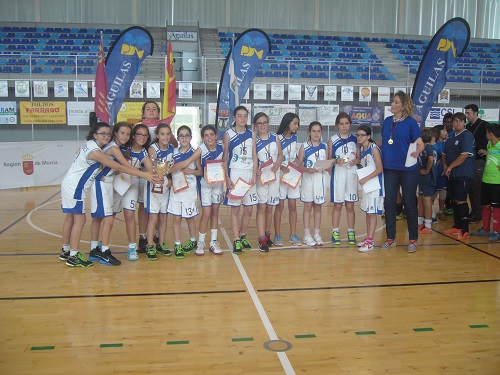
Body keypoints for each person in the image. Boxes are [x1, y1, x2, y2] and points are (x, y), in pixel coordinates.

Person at [59, 122, 155, 268]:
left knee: (81, 218)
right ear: (95, 134)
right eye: (103, 133)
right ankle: (97, 252)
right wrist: (144, 175)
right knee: (103, 219)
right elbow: (120, 166)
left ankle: (75, 250)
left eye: (107, 134)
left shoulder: (95, 145)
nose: (106, 136)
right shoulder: (108, 148)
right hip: (88, 185)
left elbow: (114, 167)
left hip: (89, 183)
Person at [169, 125, 225, 256]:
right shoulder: (200, 150)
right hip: (204, 185)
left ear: (216, 136)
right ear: (202, 137)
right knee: (206, 214)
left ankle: (213, 241)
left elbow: (225, 163)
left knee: (215, 212)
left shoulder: (222, 148)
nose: (209, 137)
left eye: (212, 134)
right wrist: (166, 172)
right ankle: (200, 242)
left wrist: (224, 166)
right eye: (206, 135)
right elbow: (187, 163)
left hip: (217, 184)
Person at [381, 90, 424, 253]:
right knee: (389, 203)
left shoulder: (411, 123)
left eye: (396, 102)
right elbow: (385, 141)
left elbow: (420, 143)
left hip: (407, 169)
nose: (392, 104)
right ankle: (390, 238)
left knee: (409, 203)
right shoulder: (387, 121)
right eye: (392, 101)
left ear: (404, 105)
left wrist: (417, 151)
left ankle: (413, 239)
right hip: (390, 167)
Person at [89, 122, 133, 266]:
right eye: (122, 133)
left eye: (127, 134)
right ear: (115, 134)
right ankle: (104, 252)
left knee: (98, 219)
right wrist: (147, 175)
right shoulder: (113, 148)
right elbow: (125, 167)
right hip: (101, 183)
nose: (125, 136)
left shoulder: (116, 147)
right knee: (108, 219)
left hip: (107, 183)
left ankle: (94, 249)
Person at [136, 101, 178, 253]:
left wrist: (170, 178)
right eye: (148, 109)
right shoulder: (138, 127)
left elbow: (173, 146)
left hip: (164, 181)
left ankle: (159, 240)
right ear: (143, 112)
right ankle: (144, 240)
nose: (151, 111)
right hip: (146, 175)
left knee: (163, 215)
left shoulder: (164, 129)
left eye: (154, 109)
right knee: (145, 208)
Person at [112, 124, 154, 261]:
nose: (142, 137)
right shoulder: (123, 147)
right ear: (134, 135)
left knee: (129, 215)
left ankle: (132, 247)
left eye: (145, 135)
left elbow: (150, 169)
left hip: (132, 185)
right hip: (116, 183)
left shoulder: (143, 153)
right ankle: (102, 245)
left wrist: (157, 175)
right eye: (139, 134)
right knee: (109, 216)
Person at [223, 106, 258, 254]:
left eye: (245, 116)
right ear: (234, 118)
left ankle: (243, 234)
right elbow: (225, 157)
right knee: (236, 208)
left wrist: (255, 174)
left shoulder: (252, 134)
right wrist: (227, 177)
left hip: (249, 173)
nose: (243, 119)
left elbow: (255, 156)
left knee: (249, 208)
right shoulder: (228, 134)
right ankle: (236, 239)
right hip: (235, 173)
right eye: (240, 116)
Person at [167, 125, 203, 258]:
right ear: (177, 138)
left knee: (189, 217)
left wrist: (190, 171)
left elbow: (200, 171)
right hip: (176, 189)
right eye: (181, 136)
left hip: (189, 190)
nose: (184, 138)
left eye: (186, 135)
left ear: (191, 137)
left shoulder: (195, 153)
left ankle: (193, 240)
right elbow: (167, 169)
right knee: (176, 218)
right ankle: (177, 244)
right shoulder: (173, 152)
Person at [327, 112, 359, 246]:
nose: (344, 126)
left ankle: (351, 231)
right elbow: (328, 160)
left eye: (346, 123)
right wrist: (336, 160)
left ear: (350, 124)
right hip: (338, 173)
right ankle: (335, 231)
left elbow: (359, 158)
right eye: (341, 124)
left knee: (350, 205)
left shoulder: (356, 139)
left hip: (351, 173)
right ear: (337, 125)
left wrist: (355, 161)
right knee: (338, 205)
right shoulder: (332, 140)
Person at [143, 123, 175, 260]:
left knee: (164, 218)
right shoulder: (152, 148)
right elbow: (154, 167)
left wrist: (170, 179)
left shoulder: (172, 148)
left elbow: (171, 168)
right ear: (157, 135)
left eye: (168, 134)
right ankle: (150, 245)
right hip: (153, 187)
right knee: (153, 218)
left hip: (166, 188)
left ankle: (160, 244)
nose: (166, 137)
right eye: (162, 134)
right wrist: (160, 176)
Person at [442, 112, 475, 240]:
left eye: (460, 121)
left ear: (464, 122)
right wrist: (445, 166)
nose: (457, 123)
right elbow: (444, 154)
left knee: (461, 199)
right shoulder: (450, 137)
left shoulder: (467, 135)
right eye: (455, 121)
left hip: (463, 173)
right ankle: (457, 226)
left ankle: (465, 229)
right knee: (454, 199)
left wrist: (450, 167)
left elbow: (465, 154)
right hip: (452, 174)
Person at [254, 112, 283, 252]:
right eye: (259, 123)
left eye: (264, 122)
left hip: (274, 175)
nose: (262, 125)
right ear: (255, 125)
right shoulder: (253, 139)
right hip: (262, 177)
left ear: (268, 123)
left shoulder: (275, 137)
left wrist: (277, 164)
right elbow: (252, 158)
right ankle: (261, 239)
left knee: (270, 206)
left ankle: (267, 234)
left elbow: (281, 154)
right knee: (261, 207)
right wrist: (256, 170)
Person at [297, 121, 328, 247]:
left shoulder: (325, 147)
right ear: (309, 133)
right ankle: (306, 234)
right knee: (308, 207)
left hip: (320, 179)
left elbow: (328, 162)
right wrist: (306, 169)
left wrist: (328, 166)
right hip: (308, 179)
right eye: (314, 131)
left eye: (318, 131)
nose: (316, 133)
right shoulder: (304, 147)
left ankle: (316, 233)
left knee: (318, 207)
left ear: (321, 133)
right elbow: (299, 165)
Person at [273, 113, 302, 246]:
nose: (297, 126)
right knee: (280, 206)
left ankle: (293, 235)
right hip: (281, 175)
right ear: (287, 123)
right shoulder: (277, 138)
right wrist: (281, 167)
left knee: (293, 206)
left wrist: (296, 160)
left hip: (293, 176)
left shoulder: (295, 138)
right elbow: (275, 158)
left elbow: (293, 155)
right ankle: (278, 235)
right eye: (295, 123)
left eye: (297, 124)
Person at [356, 125, 384, 252]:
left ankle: (370, 242)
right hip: (368, 185)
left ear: (368, 136)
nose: (359, 137)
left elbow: (380, 168)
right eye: (358, 135)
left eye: (362, 135)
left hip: (375, 185)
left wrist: (366, 178)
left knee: (372, 214)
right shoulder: (363, 149)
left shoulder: (373, 149)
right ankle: (368, 237)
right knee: (368, 212)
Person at [471, 123, 500, 242]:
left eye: (487, 133)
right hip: (486, 180)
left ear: (491, 133)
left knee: (497, 207)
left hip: (496, 182)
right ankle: (486, 229)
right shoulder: (489, 145)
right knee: (486, 205)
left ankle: (497, 231)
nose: (486, 135)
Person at [465, 104, 490, 223]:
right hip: (470, 161)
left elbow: (494, 140)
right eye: (466, 113)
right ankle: (474, 211)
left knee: (477, 188)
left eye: (468, 113)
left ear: (476, 113)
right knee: (470, 187)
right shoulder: (468, 127)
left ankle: (478, 214)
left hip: (479, 161)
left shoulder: (484, 125)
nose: (467, 115)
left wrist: (487, 152)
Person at [417, 128, 437, 234]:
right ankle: (420, 221)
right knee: (421, 198)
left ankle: (428, 224)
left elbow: (431, 159)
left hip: (427, 178)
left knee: (426, 199)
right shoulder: (428, 148)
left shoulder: (428, 148)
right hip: (423, 178)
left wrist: (427, 170)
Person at [431, 125, 448, 222]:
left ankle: (441, 211)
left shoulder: (447, 143)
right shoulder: (435, 145)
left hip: (444, 172)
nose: (446, 132)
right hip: (436, 172)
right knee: (433, 194)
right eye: (443, 130)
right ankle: (430, 212)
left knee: (443, 193)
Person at [442, 112, 455, 216]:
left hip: (452, 165)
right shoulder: (440, 134)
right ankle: (443, 208)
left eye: (451, 122)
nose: (449, 124)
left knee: (451, 187)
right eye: (447, 122)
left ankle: (450, 206)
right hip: (442, 165)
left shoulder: (456, 135)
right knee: (441, 188)